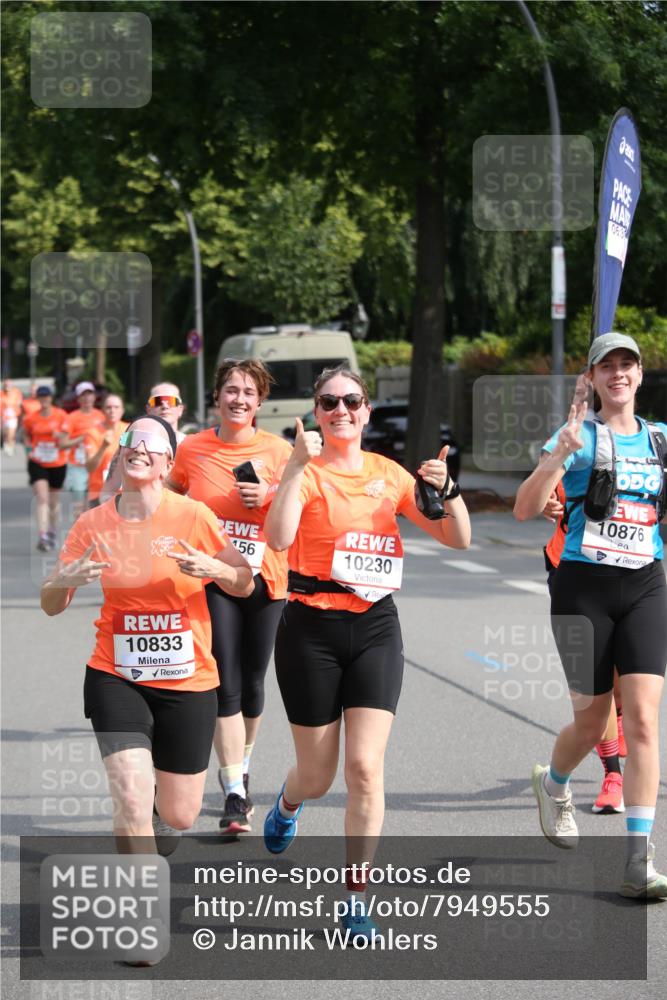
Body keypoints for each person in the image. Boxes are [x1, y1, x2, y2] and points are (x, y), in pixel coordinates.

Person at [262, 364, 471, 936]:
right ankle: (287, 802)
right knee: (318, 774)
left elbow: (457, 537)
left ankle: (357, 893)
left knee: (365, 768)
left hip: (376, 627)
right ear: (316, 412)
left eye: (351, 401)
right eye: (329, 403)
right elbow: (278, 539)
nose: (341, 411)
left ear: (367, 409)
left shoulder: (389, 474)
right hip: (310, 630)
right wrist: (292, 472)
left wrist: (449, 492)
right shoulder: (303, 471)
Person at [40, 415, 254, 859]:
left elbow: (244, 580)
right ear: (120, 455)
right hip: (116, 675)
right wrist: (64, 579)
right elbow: (50, 603)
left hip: (187, 679)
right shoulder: (93, 524)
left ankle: (162, 808)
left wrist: (215, 569)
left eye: (151, 444)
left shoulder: (193, 515)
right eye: (130, 441)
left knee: (180, 814)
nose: (138, 448)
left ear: (167, 463)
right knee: (131, 798)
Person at [514, 332, 667, 899]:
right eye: (608, 367)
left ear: (641, 374)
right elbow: (526, 508)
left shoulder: (659, 440)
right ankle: (553, 784)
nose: (619, 374)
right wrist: (559, 455)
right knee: (591, 719)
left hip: (646, 585)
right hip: (582, 589)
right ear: (594, 378)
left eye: (628, 365)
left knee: (645, 720)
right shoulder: (576, 436)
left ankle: (637, 857)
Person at [167, 359, 292, 834]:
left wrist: (269, 498)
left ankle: (240, 767)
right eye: (231, 390)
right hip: (212, 577)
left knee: (255, 682)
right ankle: (234, 791)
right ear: (217, 396)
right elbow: (170, 496)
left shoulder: (279, 452)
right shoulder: (193, 449)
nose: (239, 399)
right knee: (225, 677)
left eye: (249, 392)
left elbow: (301, 509)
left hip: (267, 577)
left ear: (260, 401)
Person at [99, 383, 185, 505]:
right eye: (158, 401)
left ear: (180, 409)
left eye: (171, 401)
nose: (165, 406)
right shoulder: (130, 445)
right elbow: (107, 493)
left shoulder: (192, 446)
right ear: (148, 409)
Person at [22, 385, 69, 551]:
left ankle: (52, 531)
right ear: (38, 399)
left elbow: (66, 437)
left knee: (54, 501)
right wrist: (29, 450)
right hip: (38, 461)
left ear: (51, 397)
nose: (44, 399)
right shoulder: (30, 418)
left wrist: (60, 436)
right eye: (41, 397)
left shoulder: (61, 415)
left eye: (46, 396)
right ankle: (42, 535)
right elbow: (26, 435)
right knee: (42, 498)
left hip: (57, 462)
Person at [58, 381, 104, 513]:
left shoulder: (101, 416)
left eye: (89, 394)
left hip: (96, 466)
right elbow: (62, 444)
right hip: (77, 467)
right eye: (83, 395)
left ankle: (91, 533)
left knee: (94, 506)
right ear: (78, 398)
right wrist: (81, 438)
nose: (87, 398)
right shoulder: (71, 418)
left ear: (94, 397)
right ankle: (79, 532)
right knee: (79, 508)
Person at [86, 394, 128, 508]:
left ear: (122, 410)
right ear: (103, 410)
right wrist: (103, 447)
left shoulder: (129, 430)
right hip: (98, 492)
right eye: (109, 407)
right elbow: (90, 467)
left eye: (116, 407)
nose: (112, 411)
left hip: (124, 493)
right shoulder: (93, 432)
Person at [1, 378, 23, 455]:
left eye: (9, 384)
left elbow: (20, 402)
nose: (7, 386)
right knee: (5, 433)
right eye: (6, 385)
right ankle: (7, 442)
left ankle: (10, 446)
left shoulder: (16, 392)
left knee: (11, 432)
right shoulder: (1, 394)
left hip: (13, 416)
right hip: (3, 416)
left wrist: (16, 406)